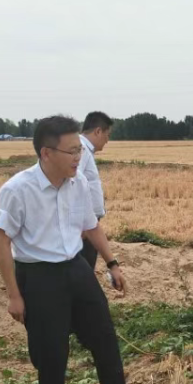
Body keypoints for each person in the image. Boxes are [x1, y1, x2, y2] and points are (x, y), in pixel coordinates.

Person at [0, 115, 160, 384]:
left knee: (105, 341)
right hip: (38, 276)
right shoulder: (17, 190)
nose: (78, 157)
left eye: (79, 150)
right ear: (46, 153)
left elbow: (90, 226)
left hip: (76, 269)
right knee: (52, 355)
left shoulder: (78, 183)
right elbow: (2, 242)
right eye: (71, 151)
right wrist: (14, 295)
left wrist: (112, 263)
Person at [77, 111, 113, 270]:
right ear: (98, 131)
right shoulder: (81, 149)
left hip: (88, 226)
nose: (107, 140)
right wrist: (82, 224)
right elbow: (72, 184)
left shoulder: (83, 149)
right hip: (85, 229)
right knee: (83, 271)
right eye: (107, 135)